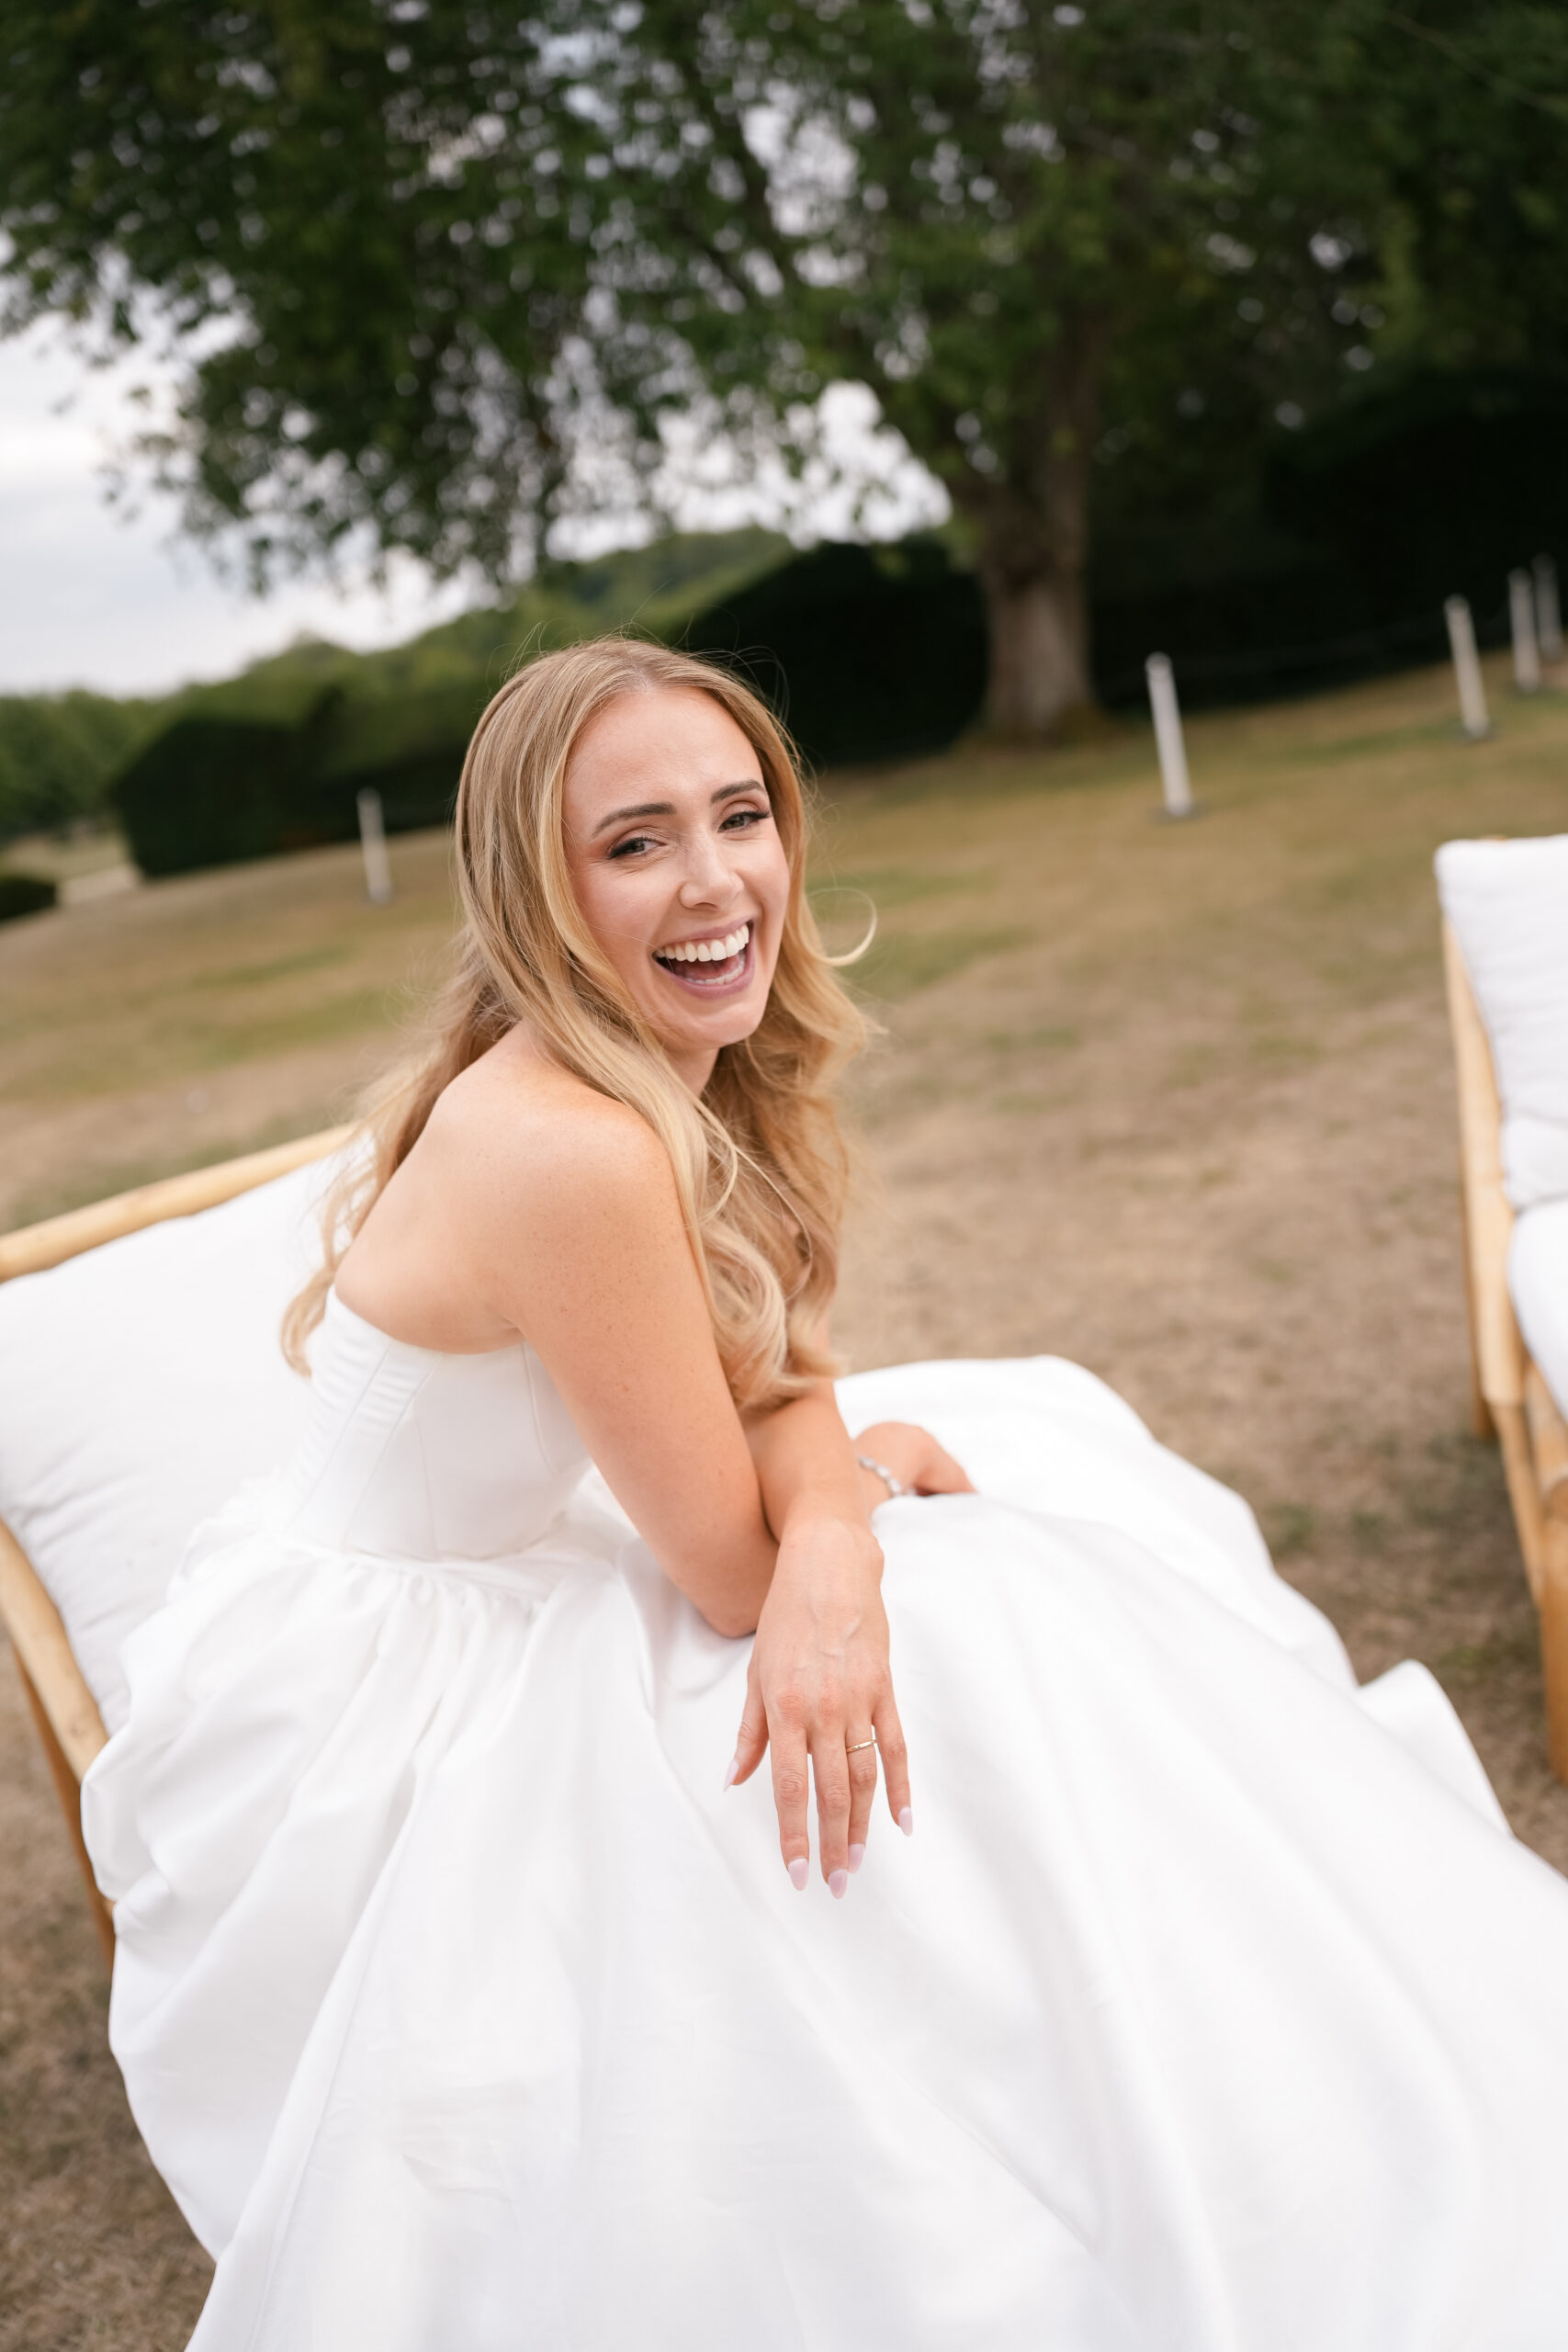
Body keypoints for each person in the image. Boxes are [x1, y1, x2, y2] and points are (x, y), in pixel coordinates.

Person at [84, 639, 1568, 2351]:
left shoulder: (686, 1058)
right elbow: (733, 1568)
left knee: (1027, 1489)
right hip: (390, 1692)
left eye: (740, 815)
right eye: (634, 843)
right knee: (988, 1624)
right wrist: (846, 1526)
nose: (717, 883)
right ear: (536, 891)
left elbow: (779, 1375)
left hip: (555, 1547)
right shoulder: (571, 1150)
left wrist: (840, 1504)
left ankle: (1244, 2068)